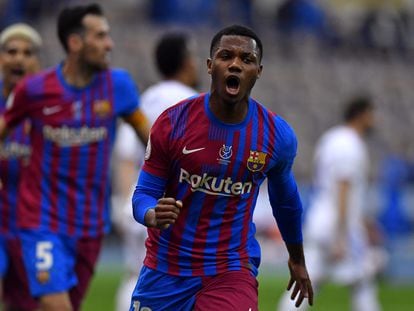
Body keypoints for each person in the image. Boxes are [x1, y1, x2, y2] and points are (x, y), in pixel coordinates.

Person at [130, 24, 313, 311]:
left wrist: (297, 258)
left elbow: (285, 201)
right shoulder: (173, 122)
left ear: (258, 71)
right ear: (209, 65)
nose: (236, 65)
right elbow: (144, 193)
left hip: (230, 270)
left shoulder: (276, 136)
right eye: (226, 56)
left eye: (247, 59)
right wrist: (151, 214)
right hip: (167, 267)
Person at [0, 3, 149, 311]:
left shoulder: (117, 85)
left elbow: (151, 139)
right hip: (41, 222)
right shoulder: (35, 89)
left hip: (90, 227)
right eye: (101, 36)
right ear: (75, 42)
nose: (109, 44)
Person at [112, 31, 199, 311]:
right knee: (181, 283)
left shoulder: (145, 100)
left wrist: (127, 202)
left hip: (141, 202)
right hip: (177, 207)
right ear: (186, 62)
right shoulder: (196, 105)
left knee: (134, 276)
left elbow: (126, 156)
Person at [278, 96, 384, 311]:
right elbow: (343, 187)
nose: (374, 119)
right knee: (362, 283)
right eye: (371, 114)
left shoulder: (331, 138)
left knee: (309, 280)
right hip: (338, 224)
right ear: (362, 114)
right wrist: (341, 235)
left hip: (321, 218)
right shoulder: (350, 143)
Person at [0, 23, 42, 310]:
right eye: (11, 51)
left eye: (27, 52)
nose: (19, 58)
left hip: (33, 227)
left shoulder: (47, 110)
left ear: (36, 62)